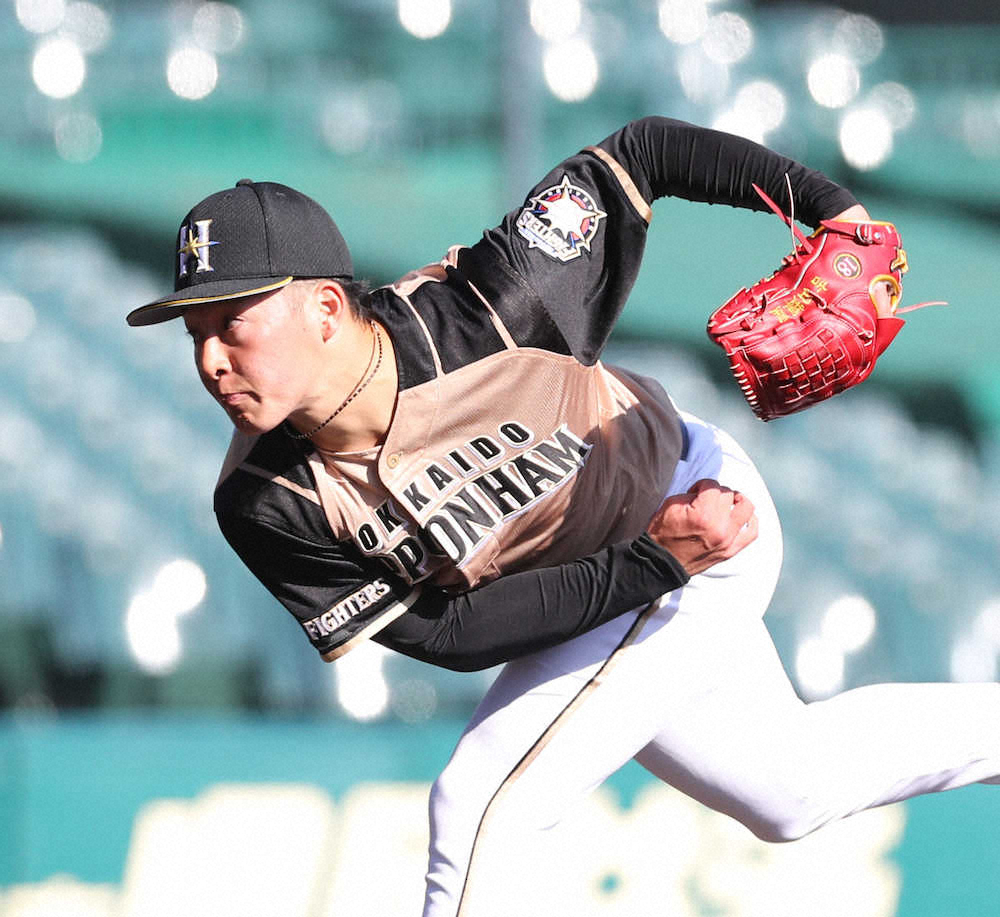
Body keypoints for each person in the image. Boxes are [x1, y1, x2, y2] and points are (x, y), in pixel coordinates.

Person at [127, 117, 1000, 916]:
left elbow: (646, 151)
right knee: (791, 789)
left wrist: (833, 209)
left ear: (323, 308)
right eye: (191, 327)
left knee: (478, 807)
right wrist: (645, 568)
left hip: (691, 511)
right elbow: (448, 634)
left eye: (232, 321)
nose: (209, 358)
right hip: (618, 577)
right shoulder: (265, 500)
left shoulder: (493, 306)